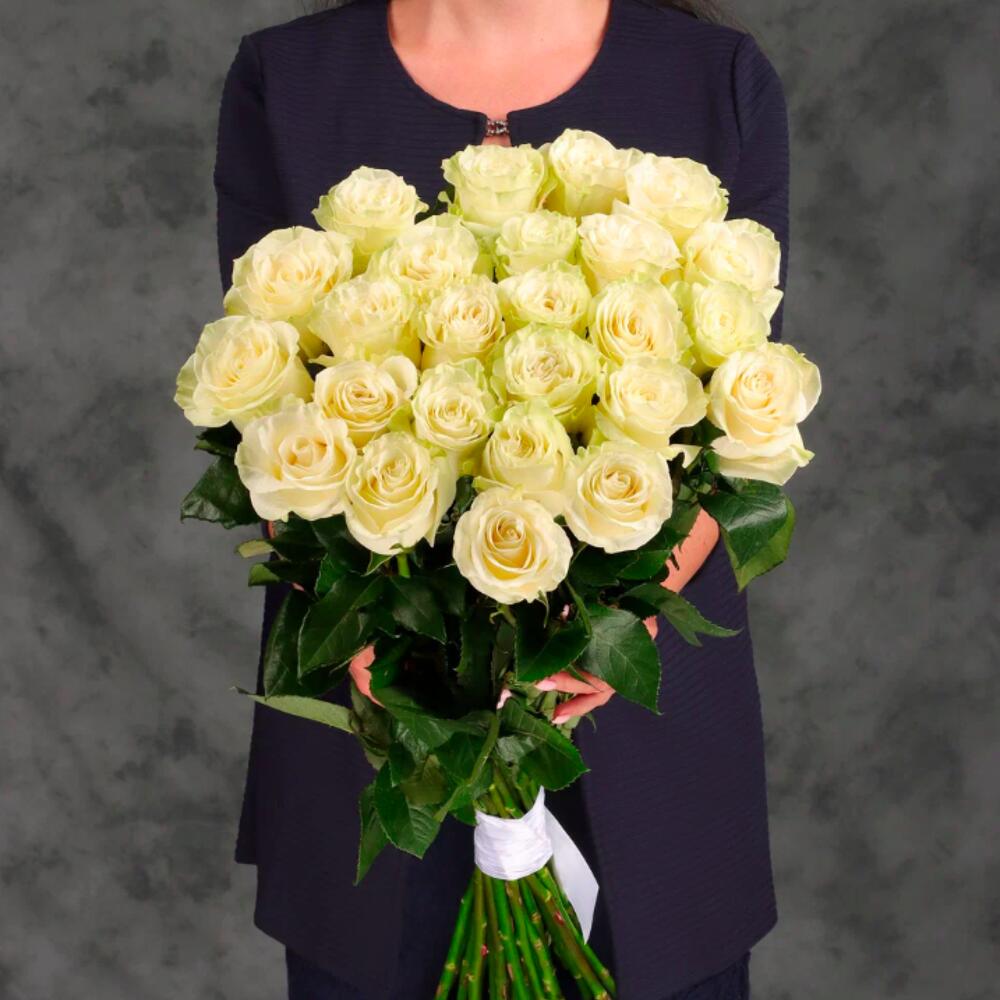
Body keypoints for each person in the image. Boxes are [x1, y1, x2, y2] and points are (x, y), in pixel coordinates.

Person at [213, 1, 790, 996]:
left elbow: (745, 422)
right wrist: (368, 619)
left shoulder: (715, 78)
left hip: (641, 726)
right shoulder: (288, 79)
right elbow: (258, 404)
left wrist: (613, 615)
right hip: (375, 707)